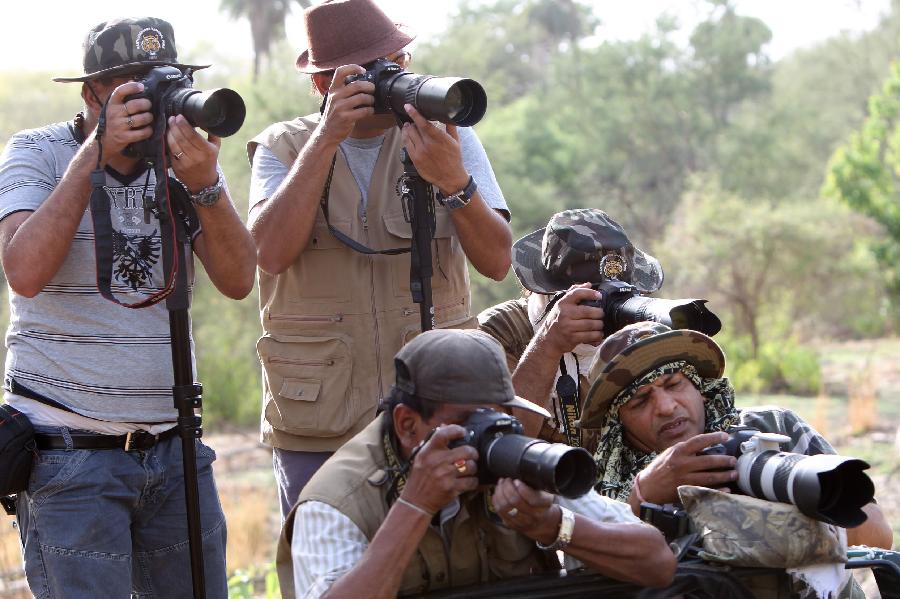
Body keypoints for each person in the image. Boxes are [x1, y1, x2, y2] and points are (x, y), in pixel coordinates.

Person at [0, 17, 256, 597]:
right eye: (135, 88)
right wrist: (95, 153)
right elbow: (24, 270)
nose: (154, 105)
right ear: (93, 93)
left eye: (164, 85)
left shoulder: (181, 163)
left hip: (176, 450)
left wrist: (207, 184)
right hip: (70, 456)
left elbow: (240, 280)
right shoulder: (39, 153)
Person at [247, 0, 513, 517]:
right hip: (320, 418)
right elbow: (269, 253)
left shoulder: (447, 137)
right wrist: (327, 138)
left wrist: (453, 181)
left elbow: (497, 261)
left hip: (435, 405)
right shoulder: (282, 146)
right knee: (325, 570)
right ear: (326, 84)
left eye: (397, 62)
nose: (392, 77)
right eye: (372, 70)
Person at [278, 329, 676, 598]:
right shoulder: (337, 500)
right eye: (469, 422)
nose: (489, 436)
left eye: (499, 417)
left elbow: (658, 564)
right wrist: (416, 505)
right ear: (407, 424)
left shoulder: (511, 457)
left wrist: (554, 526)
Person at [581, 322, 894, 549]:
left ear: (700, 389)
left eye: (675, 384)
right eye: (640, 400)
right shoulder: (602, 481)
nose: (665, 406)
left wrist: (780, 491)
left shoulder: (773, 426)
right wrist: (644, 498)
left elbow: (875, 534)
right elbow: (592, 571)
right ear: (617, 422)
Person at [479, 208, 663, 446]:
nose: (606, 308)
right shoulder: (502, 331)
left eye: (618, 294)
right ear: (549, 293)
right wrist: (548, 344)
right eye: (593, 297)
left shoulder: (639, 325)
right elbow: (501, 442)